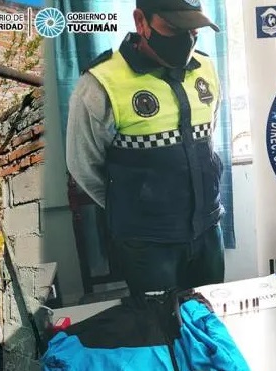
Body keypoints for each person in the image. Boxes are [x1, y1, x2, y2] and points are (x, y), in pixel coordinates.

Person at [66, 0, 226, 299]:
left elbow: (207, 139)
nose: (186, 40)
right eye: (173, 29)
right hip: (147, 245)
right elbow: (83, 166)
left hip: (207, 230)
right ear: (141, 22)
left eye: (193, 30)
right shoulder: (100, 83)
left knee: (209, 316)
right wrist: (135, 208)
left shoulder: (206, 68)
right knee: (157, 322)